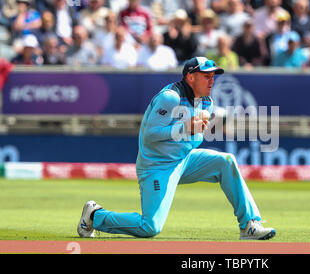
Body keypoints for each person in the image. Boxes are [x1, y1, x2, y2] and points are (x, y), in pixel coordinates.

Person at [77, 56, 277, 241]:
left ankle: (249, 225)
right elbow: (150, 135)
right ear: (191, 77)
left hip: (184, 160)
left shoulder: (206, 102)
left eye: (213, 76)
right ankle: (95, 216)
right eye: (206, 76)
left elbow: (191, 138)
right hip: (157, 166)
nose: (212, 81)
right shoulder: (170, 98)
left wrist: (197, 130)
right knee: (150, 227)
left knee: (226, 161)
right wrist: (186, 127)